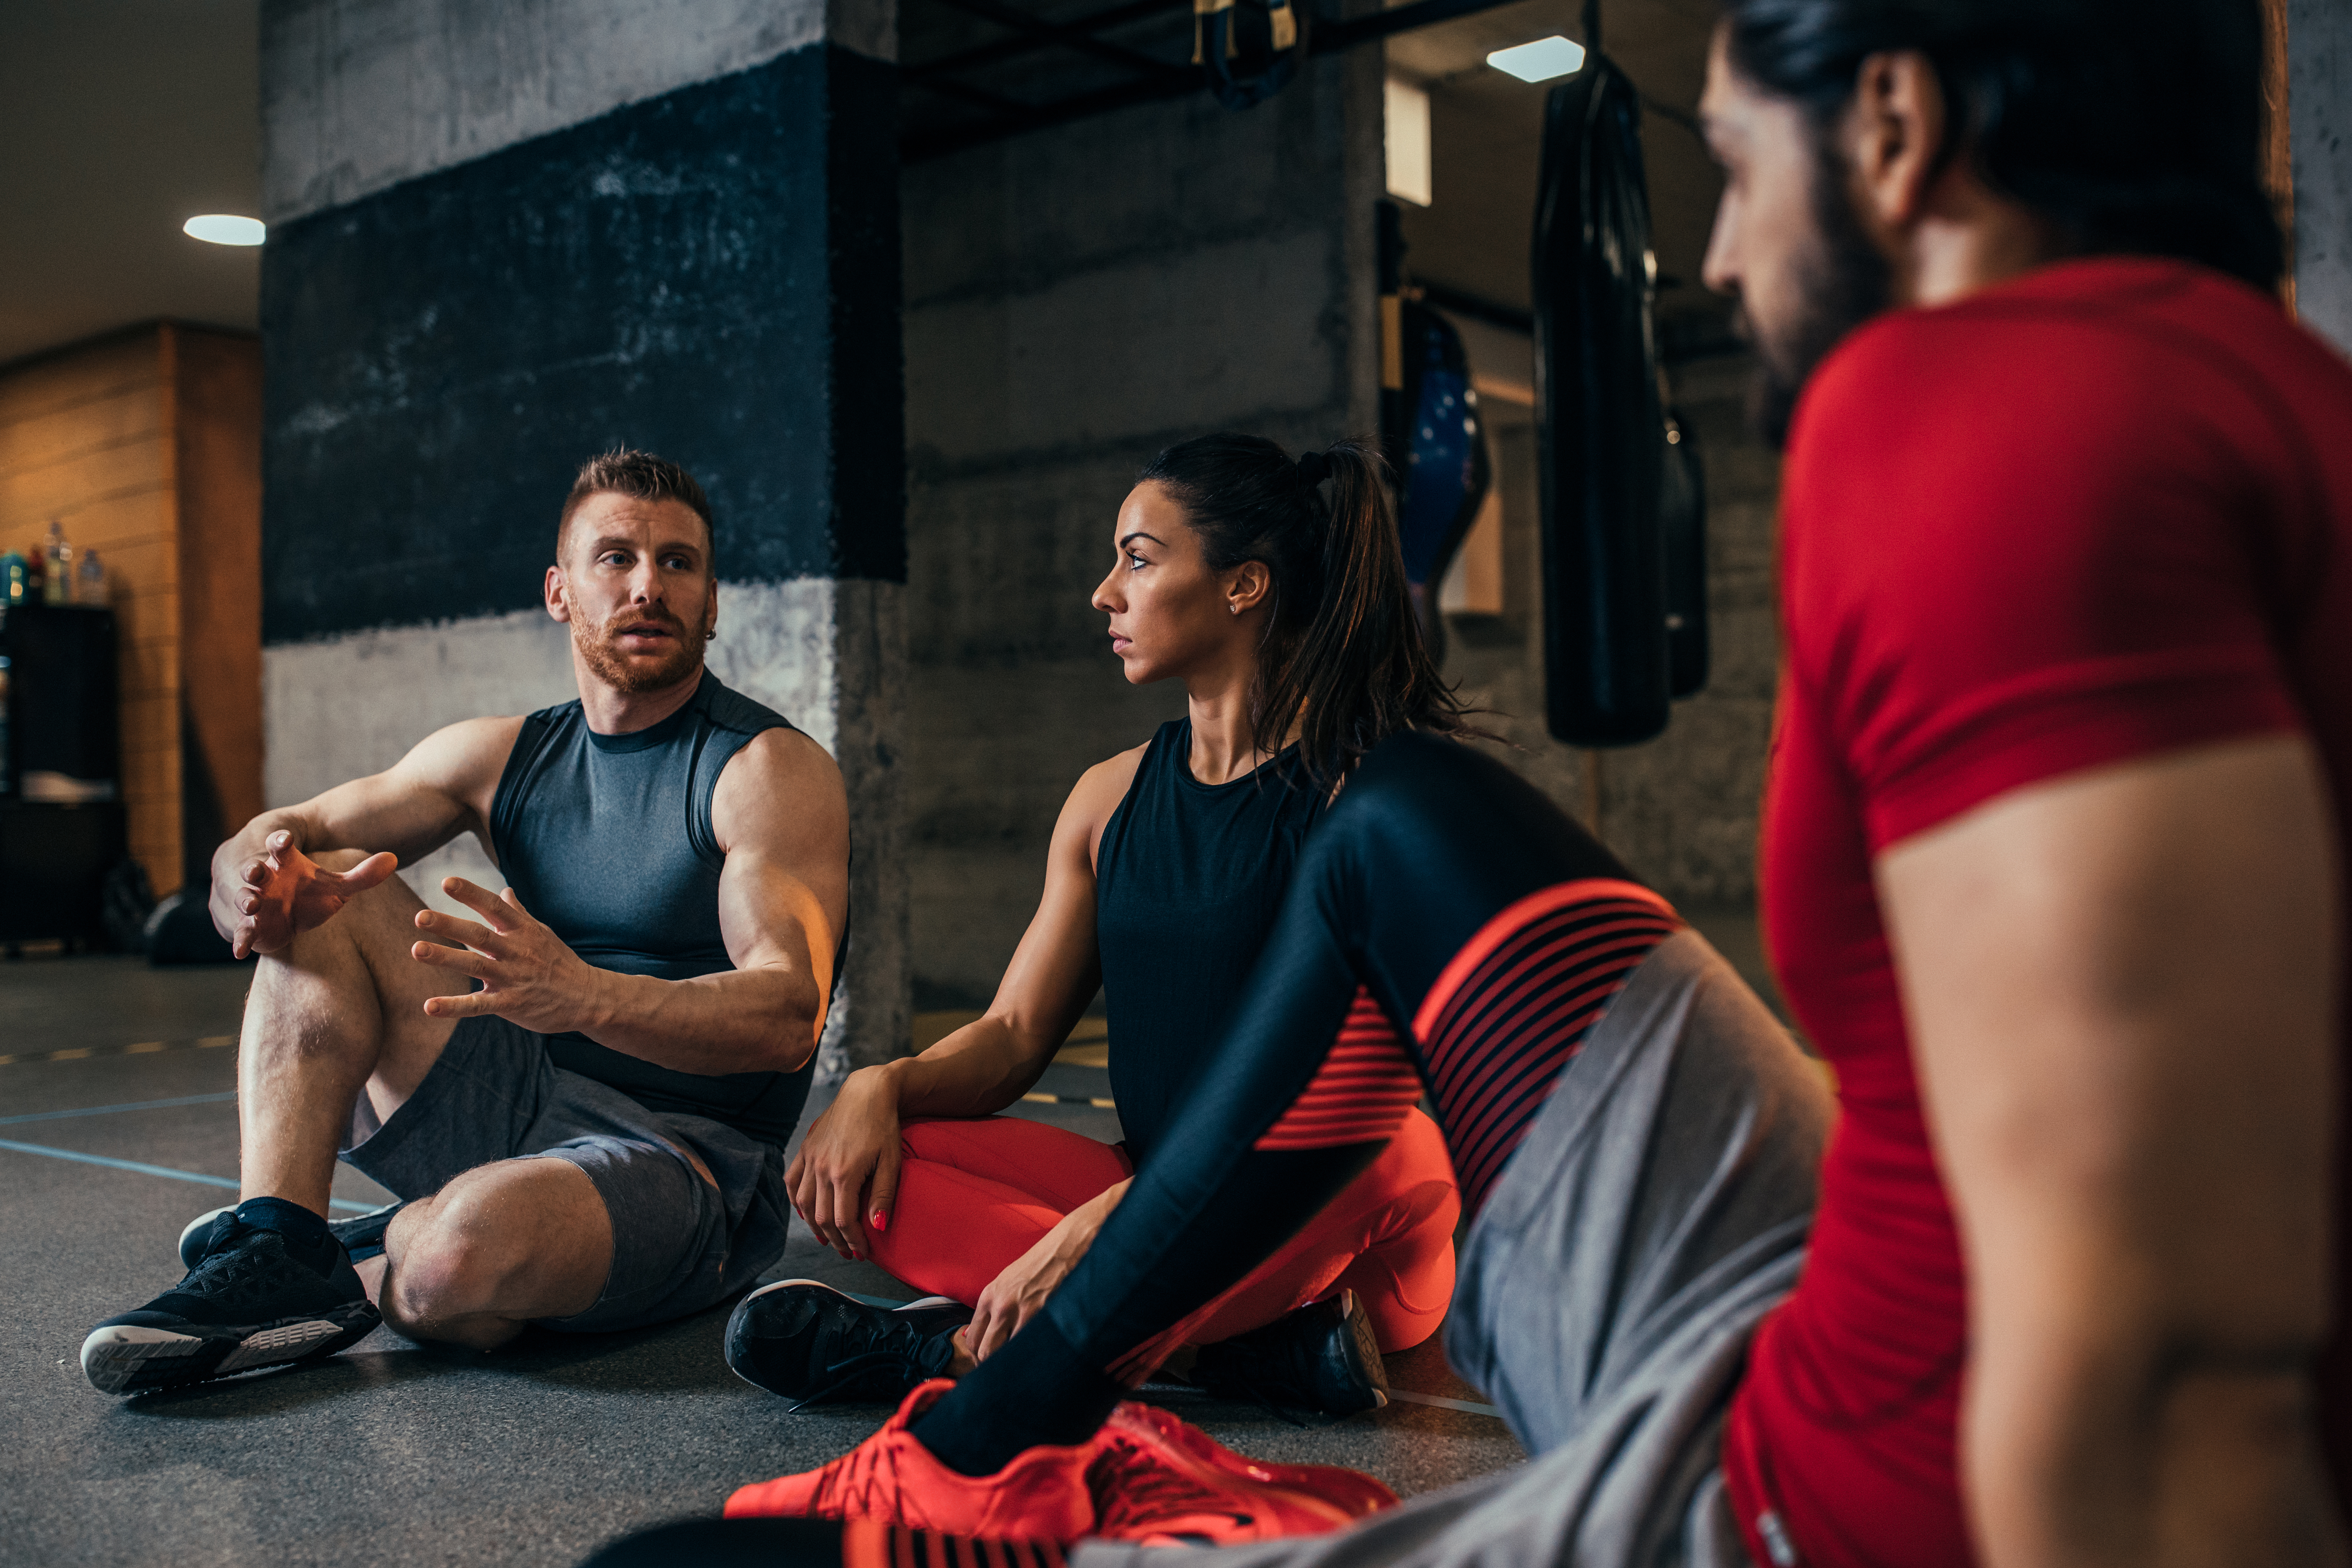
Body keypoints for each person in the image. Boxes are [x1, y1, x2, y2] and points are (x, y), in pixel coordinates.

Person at [595, 0, 2352, 1564]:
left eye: (1737, 165)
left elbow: (2170, 1359)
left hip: (1821, 1478)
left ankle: (989, 1430)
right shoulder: (2280, 403)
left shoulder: (1974, 406)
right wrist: (899, 1082)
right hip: (1834, 1274)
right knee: (1404, 827)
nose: (1728, 256)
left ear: (1892, 127)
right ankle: (1046, 1395)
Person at [80, 450, 850, 1395]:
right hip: (526, 1094)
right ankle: (280, 1240)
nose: (650, 584)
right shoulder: (505, 754)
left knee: (446, 1266)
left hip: (685, 1159)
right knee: (324, 888)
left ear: (713, 599)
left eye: (680, 563)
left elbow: (786, 1016)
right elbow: (300, 828)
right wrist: (241, 864)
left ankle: (380, 1248)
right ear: (560, 591)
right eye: (616, 557)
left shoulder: (763, 771)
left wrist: (583, 994)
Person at [731, 436, 1466, 1417]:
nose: (1104, 593)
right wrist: (880, 1083)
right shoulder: (1107, 799)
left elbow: (1328, 1097)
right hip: (1168, 1209)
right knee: (865, 1163)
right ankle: (1245, 1358)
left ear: (1244, 585)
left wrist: (1094, 1234)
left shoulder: (1363, 801)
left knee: (1398, 1144)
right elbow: (1014, 1035)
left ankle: (945, 1350)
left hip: (1324, 1225)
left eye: (1139, 558)